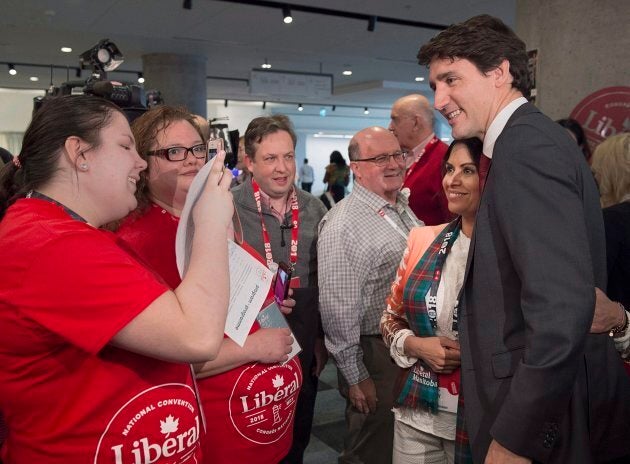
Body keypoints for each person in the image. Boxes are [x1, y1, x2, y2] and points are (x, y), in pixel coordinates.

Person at [418, 14, 630, 463]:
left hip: (540, 414)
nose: (438, 99)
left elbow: (559, 308)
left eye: (450, 79)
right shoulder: (520, 143)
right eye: (434, 84)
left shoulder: (526, 147)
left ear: (499, 72)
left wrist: (518, 435)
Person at [0, 95, 232, 463]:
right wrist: (211, 219)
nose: (139, 162)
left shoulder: (71, 234)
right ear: (80, 153)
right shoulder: (51, 244)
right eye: (126, 146)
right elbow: (198, 337)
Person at [115, 106, 297, 464]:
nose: (191, 161)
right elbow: (160, 355)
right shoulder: (136, 241)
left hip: (264, 422)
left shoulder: (212, 215)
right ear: (143, 163)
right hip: (213, 432)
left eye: (197, 149)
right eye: (173, 152)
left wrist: (265, 301)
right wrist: (252, 348)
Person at [318, 127, 422, 464]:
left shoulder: (401, 207)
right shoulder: (343, 224)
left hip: (407, 345)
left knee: (402, 445)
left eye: (397, 154)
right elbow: (337, 307)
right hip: (375, 354)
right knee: (371, 449)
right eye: (380, 158)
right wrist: (355, 375)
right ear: (356, 167)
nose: (393, 164)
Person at [232, 114, 328, 463]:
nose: (282, 168)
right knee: (255, 431)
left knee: (299, 430)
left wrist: (320, 338)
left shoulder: (315, 207)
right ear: (249, 162)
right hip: (247, 333)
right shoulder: (228, 208)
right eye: (270, 159)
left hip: (303, 327)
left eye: (288, 156)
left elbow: (321, 278)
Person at [381, 137, 481, 464]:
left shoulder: (513, 253)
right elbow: (389, 318)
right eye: (449, 169)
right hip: (417, 412)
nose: (452, 180)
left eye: (468, 170)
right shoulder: (424, 238)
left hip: (478, 417)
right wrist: (418, 346)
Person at [389, 94, 451, 225]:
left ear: (416, 123)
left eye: (395, 120)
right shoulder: (403, 159)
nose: (390, 127)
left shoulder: (445, 159)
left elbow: (454, 219)